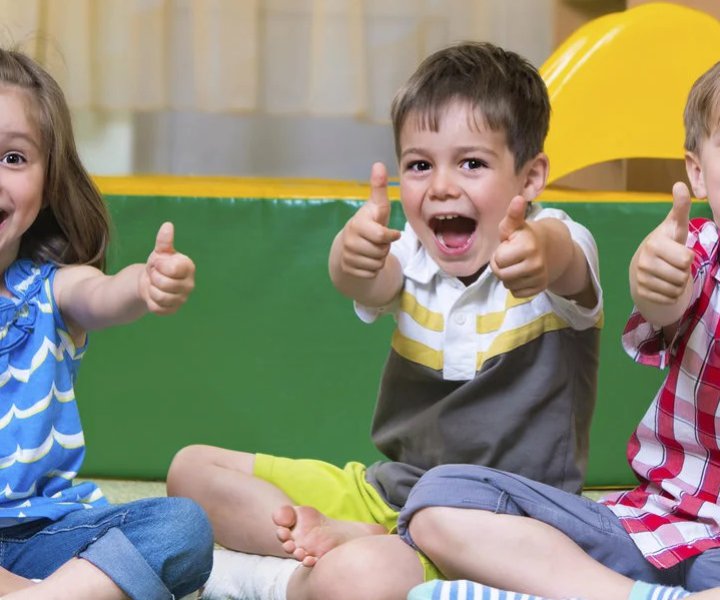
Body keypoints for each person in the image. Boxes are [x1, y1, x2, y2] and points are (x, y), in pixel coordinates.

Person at [166, 41, 603, 600]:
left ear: (530, 178)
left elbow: (564, 260)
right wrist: (350, 255)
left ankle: (292, 573)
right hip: (393, 489)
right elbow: (364, 280)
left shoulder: (561, 241)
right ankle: (344, 540)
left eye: (471, 163)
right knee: (191, 470)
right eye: (420, 165)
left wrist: (541, 253)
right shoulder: (412, 258)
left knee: (354, 580)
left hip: (497, 528)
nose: (441, 185)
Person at [398, 59, 720, 600]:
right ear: (698, 173)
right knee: (439, 500)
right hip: (652, 528)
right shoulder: (693, 253)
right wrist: (655, 282)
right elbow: (662, 297)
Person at [0, 47, 213, 600]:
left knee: (181, 528)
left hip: (44, 535)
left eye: (13, 158)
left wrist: (143, 285)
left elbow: (101, 293)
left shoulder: (48, 288)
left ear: (47, 184)